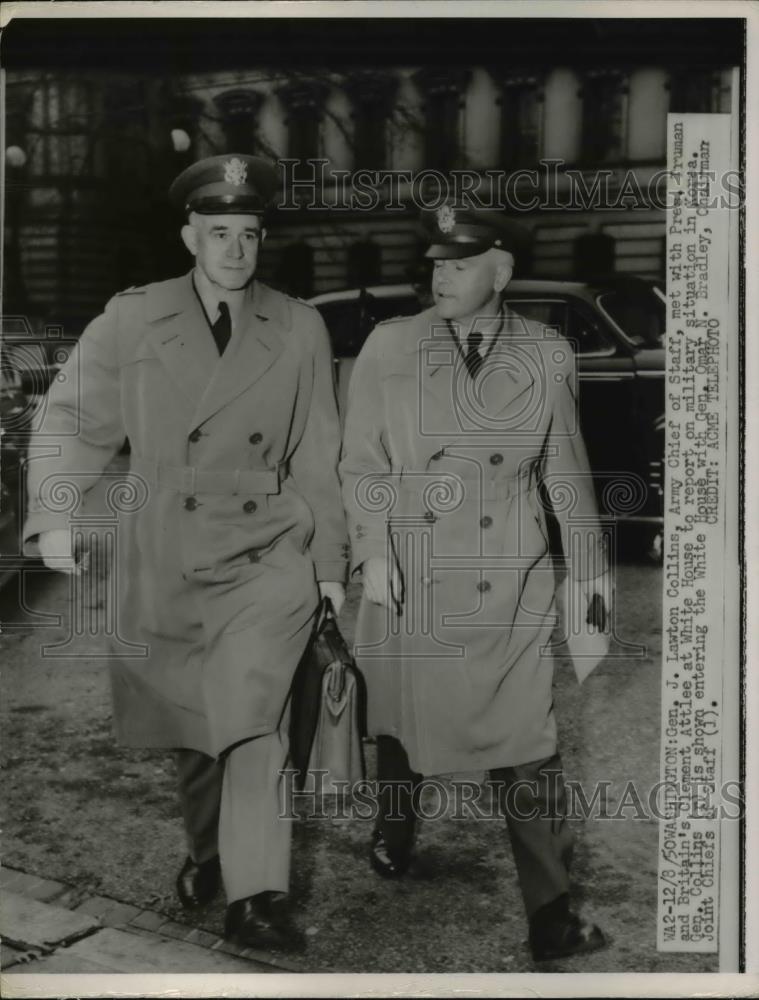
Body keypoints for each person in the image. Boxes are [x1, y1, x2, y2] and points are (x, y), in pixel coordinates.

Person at [24, 154, 348, 951]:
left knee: (254, 719)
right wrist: (57, 511)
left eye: (248, 234)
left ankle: (258, 894)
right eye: (218, 233)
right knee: (199, 726)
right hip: (165, 547)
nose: (235, 250)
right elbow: (73, 417)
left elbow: (318, 455)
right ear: (189, 235)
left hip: (267, 545)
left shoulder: (299, 324)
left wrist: (332, 567)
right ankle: (212, 855)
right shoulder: (133, 318)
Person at [339, 202, 611, 962]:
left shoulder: (549, 352)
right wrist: (372, 552)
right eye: (433, 263)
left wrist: (585, 580)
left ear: (502, 270)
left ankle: (551, 913)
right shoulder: (389, 346)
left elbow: (566, 472)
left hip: (507, 573)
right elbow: (360, 463)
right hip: (410, 566)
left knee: (528, 742)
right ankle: (395, 827)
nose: (440, 276)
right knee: (398, 726)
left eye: (459, 264)